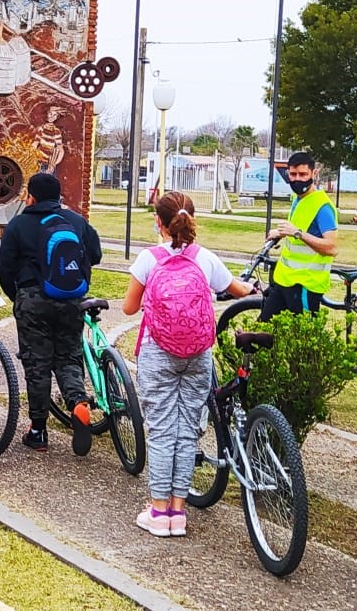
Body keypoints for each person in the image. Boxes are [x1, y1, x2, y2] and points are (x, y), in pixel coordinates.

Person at [121, 191, 254, 537]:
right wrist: (255, 288)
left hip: (158, 352)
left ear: (159, 223)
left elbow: (129, 308)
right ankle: (179, 513)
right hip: (198, 354)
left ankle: (158, 511)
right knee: (188, 429)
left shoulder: (148, 259)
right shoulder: (205, 258)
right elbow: (237, 289)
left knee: (162, 429)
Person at [0, 172, 102, 455]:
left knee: (37, 363)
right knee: (69, 356)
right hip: (71, 299)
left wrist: (19, 297)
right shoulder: (76, 222)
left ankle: (38, 431)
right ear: (58, 197)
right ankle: (78, 402)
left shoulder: (18, 224)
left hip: (32, 300)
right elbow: (96, 254)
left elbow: (5, 269)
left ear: (30, 196)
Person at [259, 151, 339, 321]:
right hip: (284, 281)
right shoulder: (299, 198)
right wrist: (280, 233)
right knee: (263, 329)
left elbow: (331, 248)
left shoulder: (323, 207)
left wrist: (297, 233)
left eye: (303, 174)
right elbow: (299, 229)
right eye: (293, 174)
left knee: (301, 339)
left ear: (314, 173)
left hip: (305, 286)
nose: (297, 179)